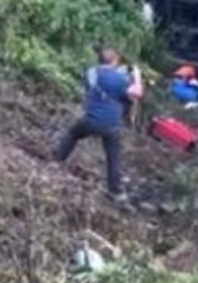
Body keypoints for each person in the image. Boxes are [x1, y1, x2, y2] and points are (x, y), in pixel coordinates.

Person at [55, 46, 143, 202]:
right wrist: (136, 76)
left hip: (90, 120)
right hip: (111, 126)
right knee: (113, 157)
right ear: (115, 61)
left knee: (72, 134)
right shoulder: (120, 80)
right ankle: (115, 191)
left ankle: (57, 161)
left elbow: (102, 82)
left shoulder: (92, 73)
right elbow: (136, 93)